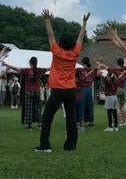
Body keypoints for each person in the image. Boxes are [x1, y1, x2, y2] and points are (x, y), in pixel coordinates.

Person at [36, 9, 90, 153]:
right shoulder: (75, 53)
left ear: (60, 43)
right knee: (71, 119)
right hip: (70, 90)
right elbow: (80, 37)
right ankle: (70, 145)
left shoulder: (57, 51)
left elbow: (50, 34)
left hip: (57, 91)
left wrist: (47, 20)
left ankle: (44, 145)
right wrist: (84, 23)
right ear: (72, 43)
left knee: (47, 117)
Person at [3, 57, 48, 130]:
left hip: (28, 92)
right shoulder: (39, 70)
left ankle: (30, 127)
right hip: (37, 91)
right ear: (36, 63)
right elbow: (49, 68)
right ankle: (40, 125)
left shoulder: (27, 70)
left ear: (30, 63)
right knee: (38, 108)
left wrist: (6, 64)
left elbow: (15, 68)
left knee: (29, 109)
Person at [77, 57, 97, 128]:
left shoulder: (80, 70)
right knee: (89, 106)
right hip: (89, 89)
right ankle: (91, 121)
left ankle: (80, 122)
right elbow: (96, 72)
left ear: (82, 62)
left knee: (81, 106)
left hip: (82, 89)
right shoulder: (92, 70)